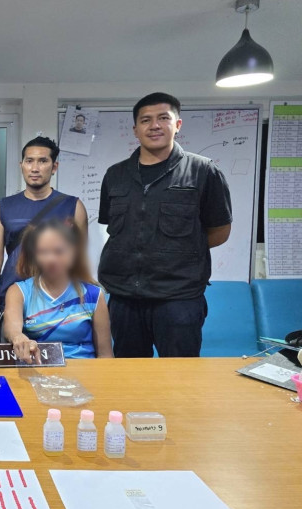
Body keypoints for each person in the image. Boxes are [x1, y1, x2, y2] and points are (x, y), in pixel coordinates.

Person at [99, 92, 232, 358]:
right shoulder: (116, 174)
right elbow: (113, 228)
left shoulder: (203, 171)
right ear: (135, 129)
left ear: (177, 124)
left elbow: (220, 231)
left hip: (178, 299)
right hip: (125, 297)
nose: (154, 126)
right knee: (128, 375)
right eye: (145, 120)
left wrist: (180, 248)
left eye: (163, 118)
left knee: (179, 377)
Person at [0, 136, 88, 333]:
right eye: (29, 161)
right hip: (13, 296)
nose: (35, 168)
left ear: (54, 167)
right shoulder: (3, 206)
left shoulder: (73, 206)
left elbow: (79, 256)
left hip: (60, 300)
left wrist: (85, 298)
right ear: (21, 165)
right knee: (15, 350)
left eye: (43, 161)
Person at [3, 218, 113, 363]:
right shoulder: (18, 291)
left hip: (85, 369)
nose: (51, 259)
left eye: (59, 251)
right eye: (43, 252)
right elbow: (11, 328)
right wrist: (18, 337)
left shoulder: (94, 295)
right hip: (38, 368)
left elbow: (105, 356)